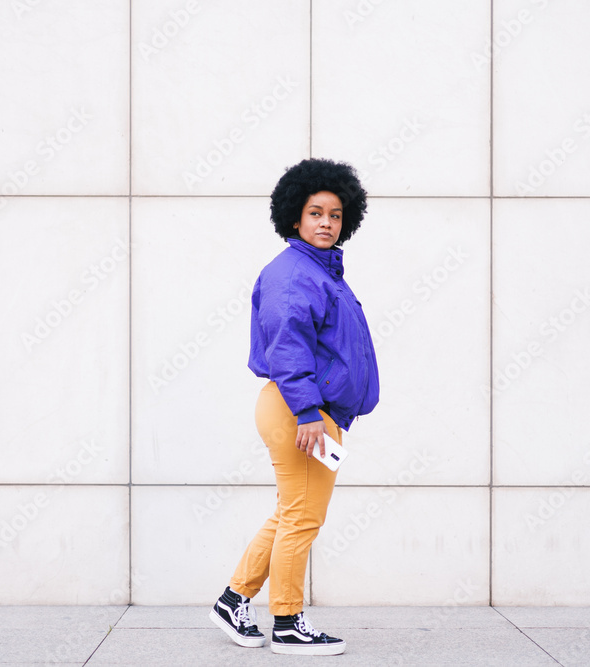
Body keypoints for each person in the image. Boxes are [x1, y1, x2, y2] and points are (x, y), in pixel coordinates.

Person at [209, 158, 380, 656]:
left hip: (307, 408)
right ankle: (287, 621)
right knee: (303, 517)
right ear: (294, 218)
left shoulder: (319, 271)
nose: (327, 222)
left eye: (336, 214)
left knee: (291, 512)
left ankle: (234, 599)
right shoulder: (294, 274)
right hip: (299, 409)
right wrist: (308, 412)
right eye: (315, 213)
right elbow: (287, 345)